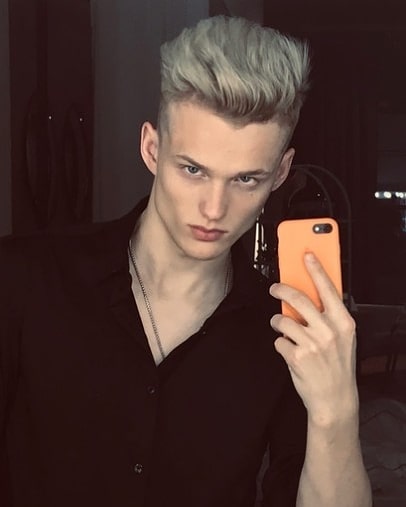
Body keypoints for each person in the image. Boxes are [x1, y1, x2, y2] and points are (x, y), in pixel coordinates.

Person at [0, 15, 371, 507]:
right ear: (152, 148)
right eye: (193, 170)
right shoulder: (23, 280)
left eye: (246, 180)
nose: (214, 209)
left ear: (281, 173)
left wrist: (336, 412)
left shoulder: (283, 335)